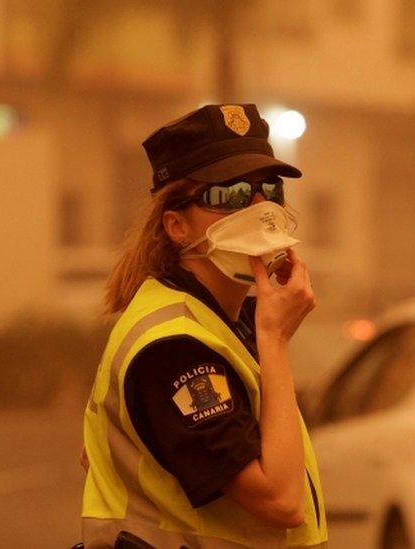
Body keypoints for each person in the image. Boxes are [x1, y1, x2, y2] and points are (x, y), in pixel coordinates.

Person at [80, 104, 327, 548]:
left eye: (269, 189)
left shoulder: (230, 322)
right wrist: (275, 340)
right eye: (230, 194)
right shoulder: (172, 346)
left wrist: (267, 332)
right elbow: (281, 502)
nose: (259, 207)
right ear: (176, 224)